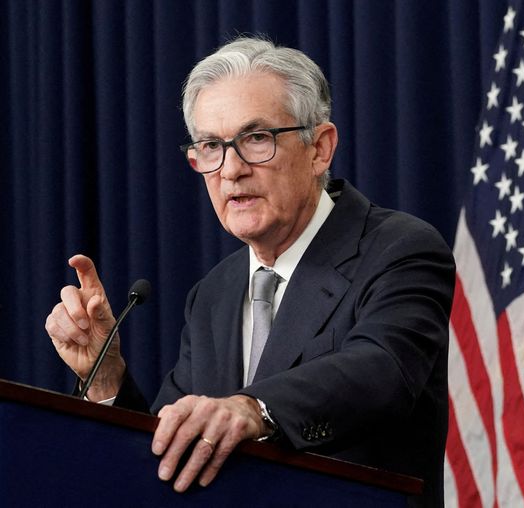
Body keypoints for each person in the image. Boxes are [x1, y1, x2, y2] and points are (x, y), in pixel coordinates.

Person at [45, 36, 454, 507]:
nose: (231, 169)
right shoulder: (214, 293)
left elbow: (382, 372)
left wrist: (253, 408)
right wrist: (106, 378)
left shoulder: (399, 248)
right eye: (211, 146)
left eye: (256, 138)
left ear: (320, 148)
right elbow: (171, 451)